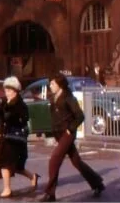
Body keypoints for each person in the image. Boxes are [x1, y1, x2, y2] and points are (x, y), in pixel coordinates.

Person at [40, 74, 104, 202]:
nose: (50, 86)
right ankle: (97, 184)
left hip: (67, 134)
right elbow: (55, 118)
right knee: (76, 161)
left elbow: (80, 116)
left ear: (60, 85)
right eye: (50, 84)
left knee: (54, 160)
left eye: (52, 84)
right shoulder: (53, 98)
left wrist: (70, 129)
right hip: (58, 134)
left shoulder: (68, 98)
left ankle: (50, 193)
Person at [0, 76, 39, 198]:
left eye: (9, 90)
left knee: (5, 164)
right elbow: (2, 119)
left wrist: (11, 117)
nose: (6, 93)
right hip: (6, 137)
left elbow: (23, 120)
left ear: (15, 91)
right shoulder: (5, 103)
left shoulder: (20, 105)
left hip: (15, 139)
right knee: (16, 166)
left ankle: (7, 189)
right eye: (6, 90)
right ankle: (32, 176)